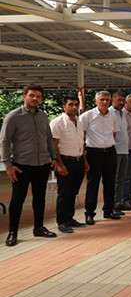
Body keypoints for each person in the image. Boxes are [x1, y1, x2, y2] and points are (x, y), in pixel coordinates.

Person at [1, 85, 58, 246]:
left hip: (42, 165)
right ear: (24, 96)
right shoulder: (13, 117)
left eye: (38, 96)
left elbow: (48, 138)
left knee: (39, 198)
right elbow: (4, 141)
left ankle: (39, 228)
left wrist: (52, 157)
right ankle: (13, 233)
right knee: (17, 200)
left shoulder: (43, 116)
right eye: (32, 95)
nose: (35, 99)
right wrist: (8, 165)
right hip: (22, 166)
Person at [80, 91, 121, 224]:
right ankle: (89, 213)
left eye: (107, 100)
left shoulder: (113, 116)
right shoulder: (87, 116)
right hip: (93, 152)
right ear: (96, 101)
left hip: (110, 151)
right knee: (93, 183)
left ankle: (108, 210)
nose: (104, 102)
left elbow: (114, 133)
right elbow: (81, 134)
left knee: (110, 182)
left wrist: (107, 145)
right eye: (102, 99)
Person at [50, 95, 87, 234]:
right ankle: (62, 221)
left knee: (73, 192)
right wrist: (59, 165)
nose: (74, 107)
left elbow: (82, 143)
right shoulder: (57, 122)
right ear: (64, 106)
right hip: (65, 161)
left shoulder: (79, 121)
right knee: (64, 192)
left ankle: (70, 218)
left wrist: (85, 162)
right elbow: (53, 146)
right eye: (71, 104)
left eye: (76, 104)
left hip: (78, 161)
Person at [110, 91, 131, 212]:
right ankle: (113, 203)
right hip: (115, 150)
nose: (122, 102)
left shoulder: (123, 113)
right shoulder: (110, 113)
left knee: (122, 178)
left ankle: (119, 201)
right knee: (114, 178)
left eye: (123, 100)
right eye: (119, 100)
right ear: (113, 100)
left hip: (125, 149)